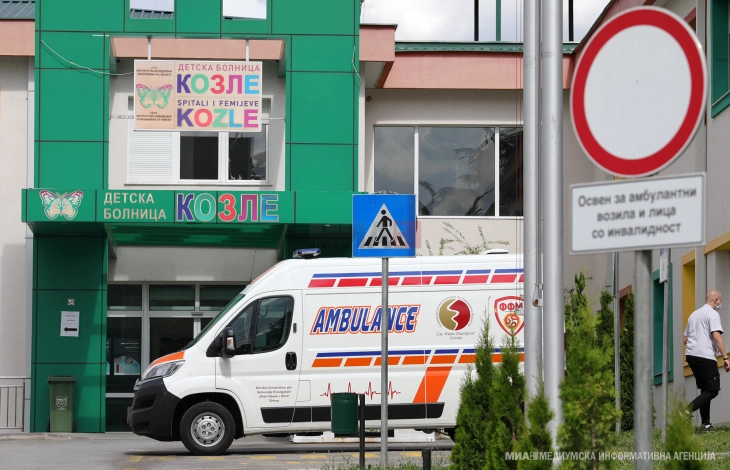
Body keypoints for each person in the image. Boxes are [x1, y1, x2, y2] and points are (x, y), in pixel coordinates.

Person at [683, 290, 730, 430]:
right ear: (716, 300)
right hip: (705, 356)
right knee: (713, 390)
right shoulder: (712, 314)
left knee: (705, 389)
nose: (720, 304)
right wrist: (725, 357)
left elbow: (685, 339)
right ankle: (686, 411)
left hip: (691, 355)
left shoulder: (694, 314)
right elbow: (716, 336)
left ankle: (706, 424)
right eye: (720, 301)